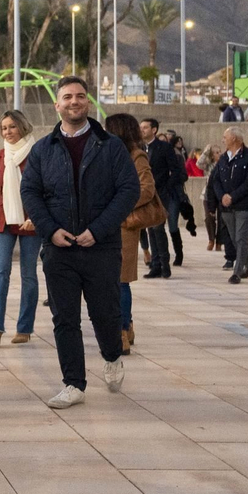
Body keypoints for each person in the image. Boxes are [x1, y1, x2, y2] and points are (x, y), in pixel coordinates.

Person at [21, 76, 140, 410]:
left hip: (100, 248)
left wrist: (99, 230)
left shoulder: (110, 145)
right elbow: (30, 191)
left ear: (88, 103)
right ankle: (73, 383)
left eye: (80, 96)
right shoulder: (43, 149)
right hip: (59, 248)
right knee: (64, 318)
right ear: (56, 104)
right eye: (67, 97)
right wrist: (50, 229)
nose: (74, 102)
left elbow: (128, 190)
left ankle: (112, 356)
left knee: (105, 313)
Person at [0, 109, 39, 345]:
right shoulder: (0, 155)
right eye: (4, 128)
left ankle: (24, 328)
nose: (7, 132)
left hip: (30, 221)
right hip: (3, 218)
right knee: (0, 272)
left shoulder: (37, 153)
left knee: (28, 274)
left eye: (12, 127)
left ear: (22, 126)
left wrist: (37, 217)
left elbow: (44, 188)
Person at [103, 113, 156, 356]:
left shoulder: (136, 156)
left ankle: (122, 331)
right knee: (107, 282)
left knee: (121, 281)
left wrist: (120, 206)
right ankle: (126, 324)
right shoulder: (105, 153)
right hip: (103, 225)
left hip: (124, 225)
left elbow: (146, 189)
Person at [210, 127, 248, 285]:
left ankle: (237, 272)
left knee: (241, 238)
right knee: (233, 238)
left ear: (234, 139)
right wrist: (222, 197)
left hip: (243, 205)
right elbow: (215, 180)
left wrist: (233, 196)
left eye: (225, 137)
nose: (223, 139)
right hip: (226, 206)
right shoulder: (224, 158)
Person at [140, 117, 184, 276]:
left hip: (161, 194)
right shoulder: (139, 148)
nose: (142, 130)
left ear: (154, 130)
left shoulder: (164, 147)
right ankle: (155, 265)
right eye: (141, 127)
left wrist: (166, 186)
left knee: (158, 228)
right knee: (150, 229)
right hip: (145, 195)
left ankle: (165, 264)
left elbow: (176, 171)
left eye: (145, 127)